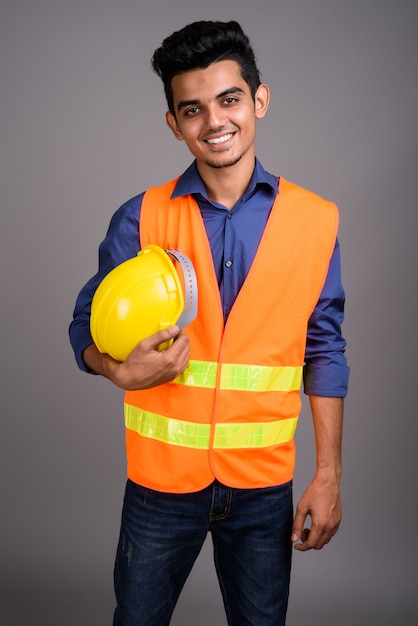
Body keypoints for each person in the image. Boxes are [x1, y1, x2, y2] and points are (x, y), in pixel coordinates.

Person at [69, 20, 349, 626]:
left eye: (229, 100)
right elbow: (83, 325)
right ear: (173, 123)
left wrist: (327, 475)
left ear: (259, 101)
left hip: (263, 488)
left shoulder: (315, 219)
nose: (213, 121)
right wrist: (116, 369)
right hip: (159, 486)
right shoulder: (140, 216)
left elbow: (324, 350)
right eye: (191, 109)